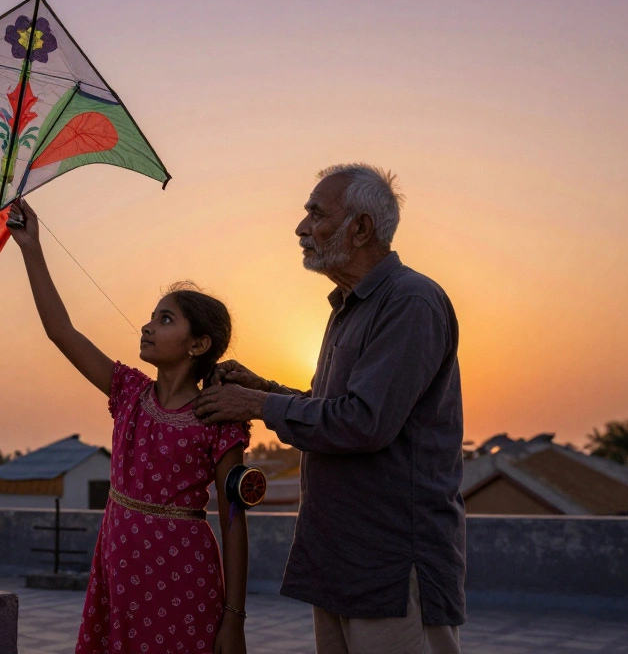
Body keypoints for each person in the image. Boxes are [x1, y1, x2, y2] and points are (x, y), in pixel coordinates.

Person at [194, 164, 465, 654]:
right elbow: (333, 412)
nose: (301, 229)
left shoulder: (410, 301)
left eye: (315, 214)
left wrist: (256, 402)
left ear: (360, 227)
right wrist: (263, 387)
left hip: (390, 563)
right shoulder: (349, 307)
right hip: (340, 558)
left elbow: (363, 424)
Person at [8, 199, 250, 654]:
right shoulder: (129, 393)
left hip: (183, 578)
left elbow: (234, 521)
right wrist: (30, 249)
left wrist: (233, 620)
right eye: (152, 315)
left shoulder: (219, 417)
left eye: (165, 319)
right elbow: (61, 331)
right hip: (119, 572)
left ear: (199, 343)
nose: (147, 326)